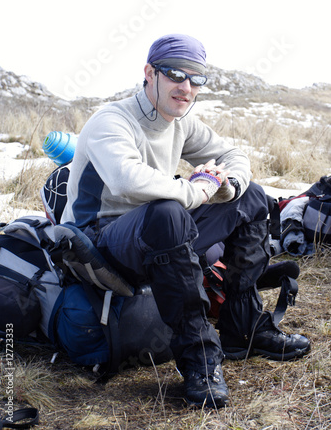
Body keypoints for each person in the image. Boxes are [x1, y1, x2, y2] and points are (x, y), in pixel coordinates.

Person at [61, 33, 310, 408]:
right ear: (150, 73)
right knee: (168, 211)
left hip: (157, 231)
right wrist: (197, 190)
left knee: (254, 196)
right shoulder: (110, 120)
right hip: (98, 245)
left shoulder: (181, 122)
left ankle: (242, 329)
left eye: (197, 79)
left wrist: (226, 187)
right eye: (176, 74)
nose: (187, 87)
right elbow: (126, 179)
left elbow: (232, 154)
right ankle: (200, 360)